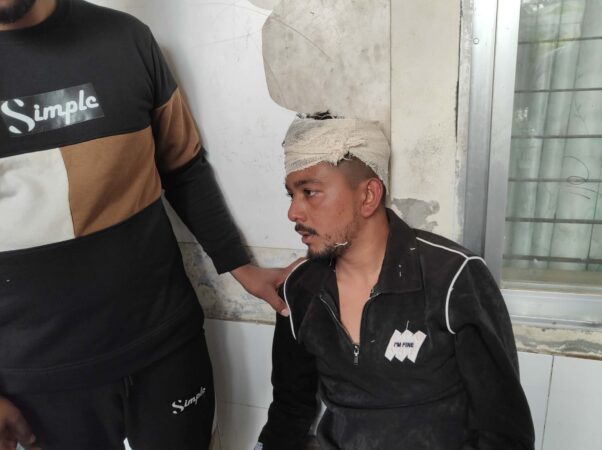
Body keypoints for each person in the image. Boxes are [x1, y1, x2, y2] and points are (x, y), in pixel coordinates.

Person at [0, 1, 292, 449]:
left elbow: (183, 167)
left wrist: (241, 267)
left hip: (164, 345)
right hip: (39, 379)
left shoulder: (127, 39)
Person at [256, 116, 535, 449]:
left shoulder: (452, 278)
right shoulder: (299, 290)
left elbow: (505, 433)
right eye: (291, 195)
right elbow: (290, 411)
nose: (293, 213)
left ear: (368, 196)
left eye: (310, 192)